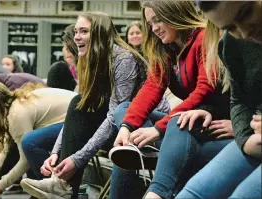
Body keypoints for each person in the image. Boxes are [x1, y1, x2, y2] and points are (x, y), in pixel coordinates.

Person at [19, 11, 149, 199]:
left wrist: (77, 159)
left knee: (79, 106)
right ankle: (60, 182)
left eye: (84, 31)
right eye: (76, 31)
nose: (76, 37)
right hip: (110, 122)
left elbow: (116, 115)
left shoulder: (123, 59)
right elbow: (77, 111)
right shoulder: (89, 61)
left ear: (100, 35)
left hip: (136, 124)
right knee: (75, 105)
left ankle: (62, 185)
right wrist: (56, 152)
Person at [109, 1, 232, 199]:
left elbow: (203, 90)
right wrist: (127, 127)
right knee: (124, 109)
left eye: (158, 21)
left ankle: (156, 191)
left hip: (209, 121)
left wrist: (158, 129)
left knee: (177, 121)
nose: (154, 28)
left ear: (175, 14)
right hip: (185, 121)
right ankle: (141, 150)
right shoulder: (166, 48)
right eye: (150, 23)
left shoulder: (203, 38)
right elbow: (152, 87)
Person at [176, 1, 262, 198]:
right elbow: (239, 99)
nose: (244, 33)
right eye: (230, 27)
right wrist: (246, 139)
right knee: (192, 193)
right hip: (255, 139)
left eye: (246, 13)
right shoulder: (232, 44)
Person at [0, 80, 77, 197]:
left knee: (29, 143)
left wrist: (1, 185)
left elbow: (25, 160)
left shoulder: (16, 114)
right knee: (27, 143)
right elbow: (4, 151)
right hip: (75, 118)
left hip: (79, 120)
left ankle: (53, 189)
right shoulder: (14, 106)